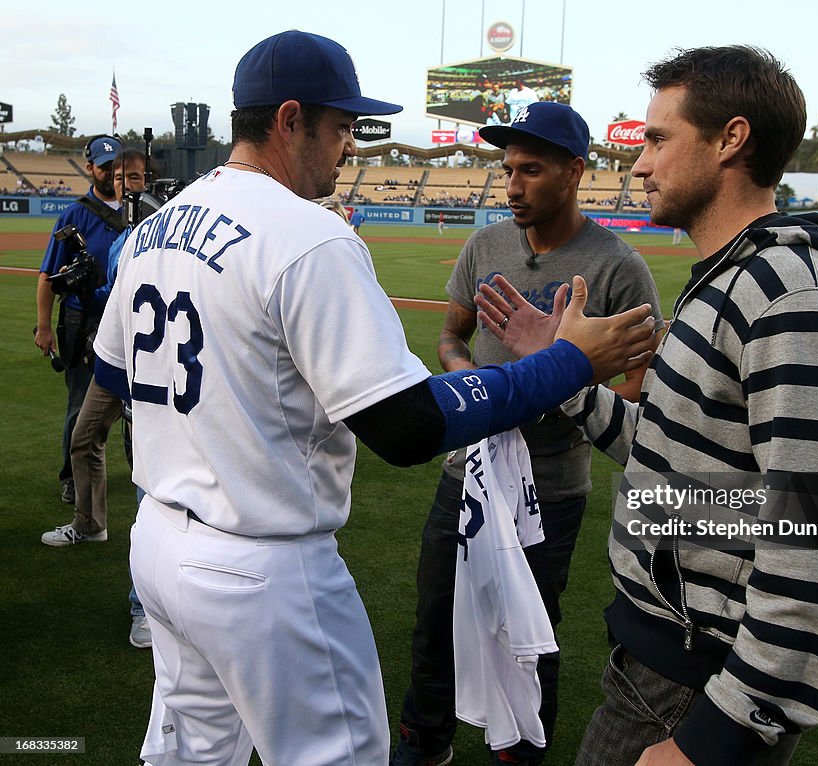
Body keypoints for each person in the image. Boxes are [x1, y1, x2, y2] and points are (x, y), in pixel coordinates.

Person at [91, 31, 656, 766]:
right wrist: (567, 365)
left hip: (159, 547)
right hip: (262, 567)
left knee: (195, 754)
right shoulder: (309, 235)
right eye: (341, 128)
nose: (348, 148)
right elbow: (409, 426)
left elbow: (112, 377)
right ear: (291, 120)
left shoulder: (153, 228)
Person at [479, 46, 818, 766]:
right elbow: (677, 456)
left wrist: (721, 734)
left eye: (657, 139)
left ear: (730, 140)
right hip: (667, 656)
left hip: (695, 681)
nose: (640, 165)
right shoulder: (738, 276)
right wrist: (557, 373)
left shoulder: (791, 296)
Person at [392, 101, 665, 766]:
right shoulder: (485, 245)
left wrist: (550, 385)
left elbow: (634, 394)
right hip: (467, 474)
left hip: (551, 490)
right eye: (508, 169)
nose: (512, 185)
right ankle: (424, 746)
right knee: (435, 622)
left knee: (527, 635)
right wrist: (476, 391)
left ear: (575, 172)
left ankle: (519, 751)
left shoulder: (616, 266)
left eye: (531, 170)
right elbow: (452, 336)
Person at [41, 149, 146, 547]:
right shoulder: (122, 238)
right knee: (84, 437)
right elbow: (114, 293)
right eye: (121, 179)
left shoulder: (160, 229)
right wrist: (86, 288)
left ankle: (164, 544)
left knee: (150, 460)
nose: (127, 187)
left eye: (134, 179)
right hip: (116, 353)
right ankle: (89, 523)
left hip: (153, 360)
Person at [35, 134, 126, 505]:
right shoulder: (75, 214)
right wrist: (43, 325)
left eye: (115, 164)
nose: (110, 171)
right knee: (80, 403)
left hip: (123, 317)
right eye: (104, 165)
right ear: (89, 168)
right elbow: (48, 275)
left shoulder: (136, 210)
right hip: (82, 318)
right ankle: (72, 476)